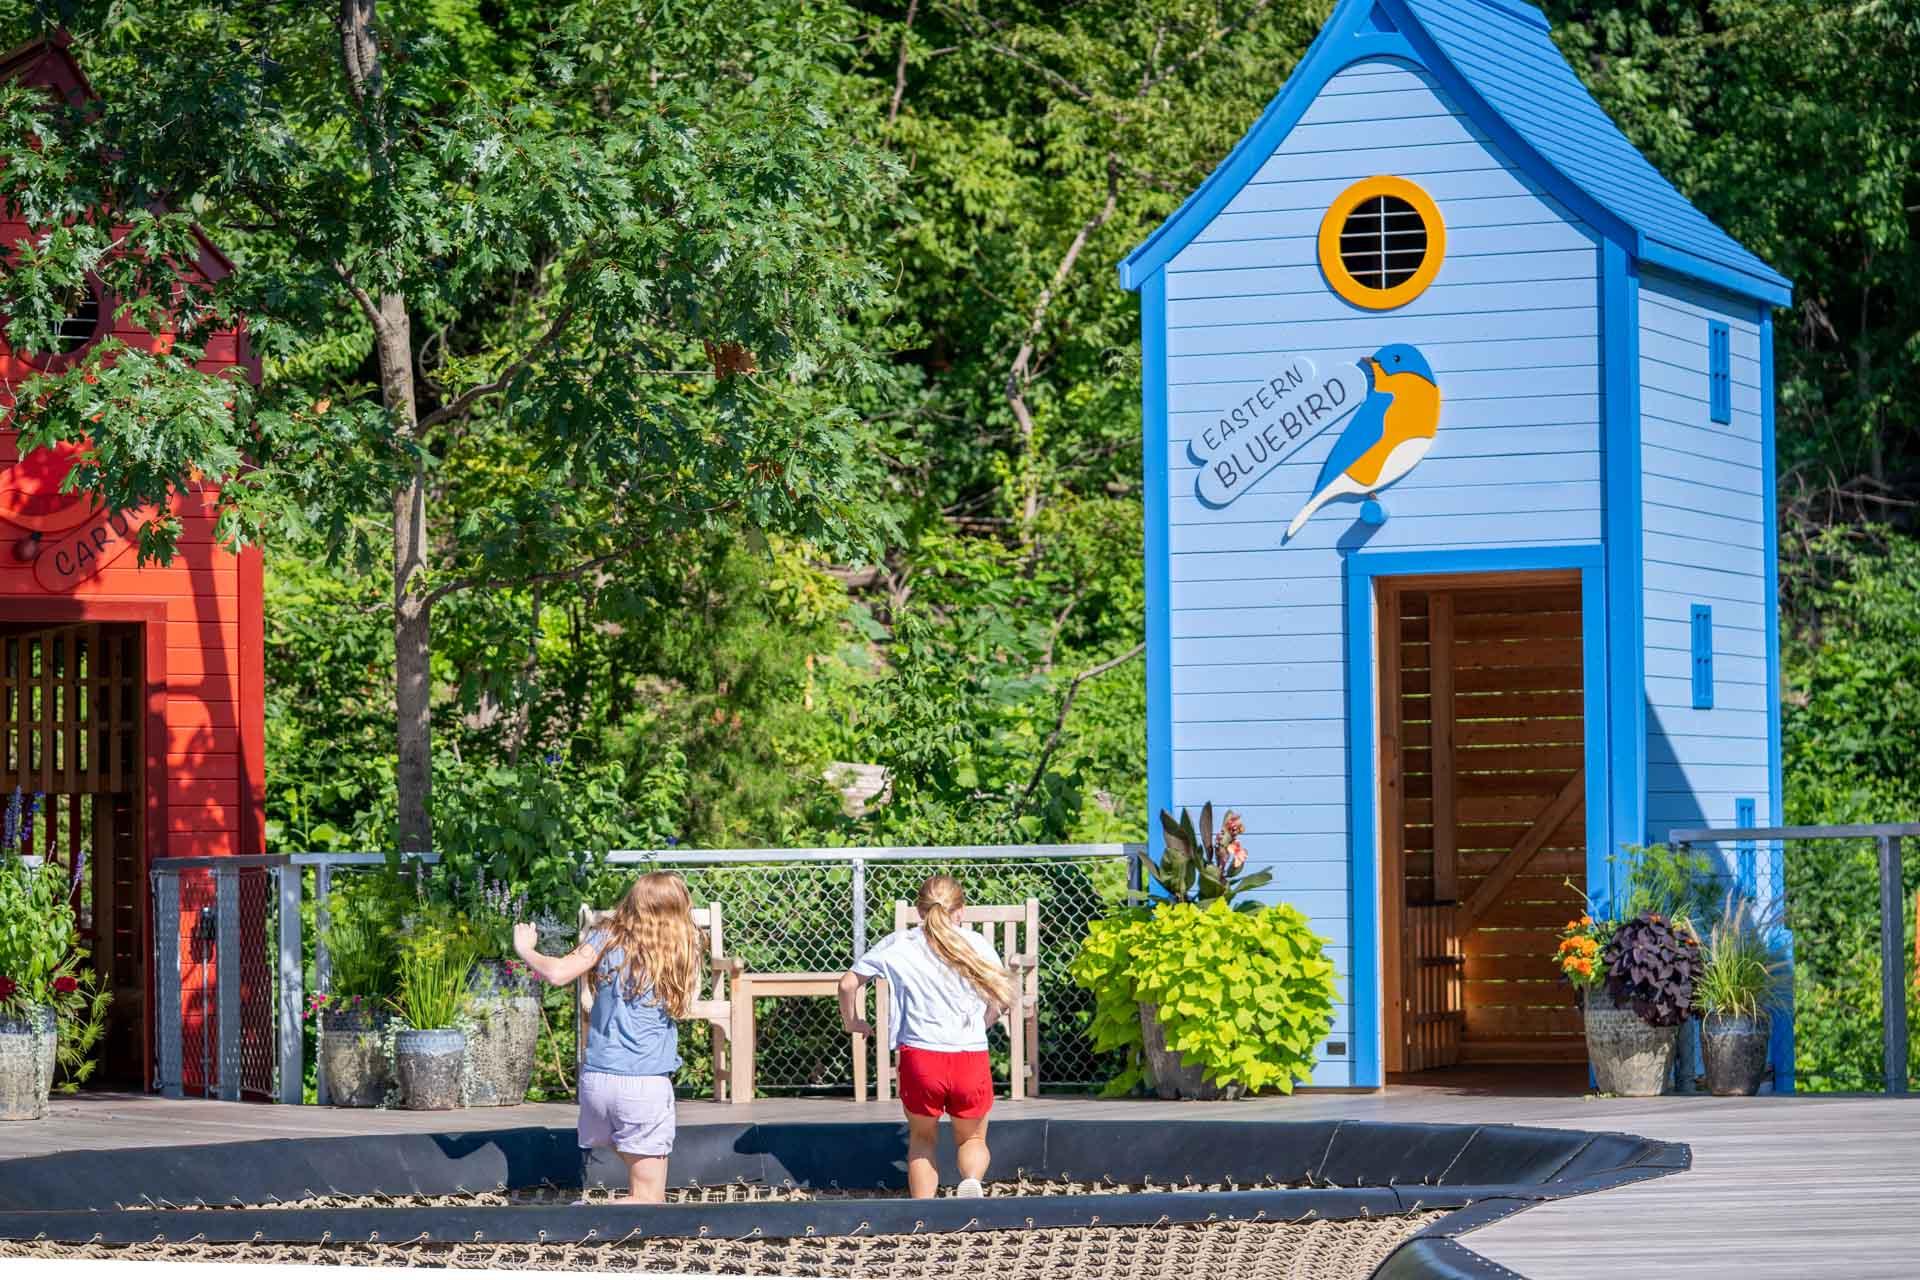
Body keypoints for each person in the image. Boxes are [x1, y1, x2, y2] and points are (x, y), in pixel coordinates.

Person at [513, 871, 702, 1204]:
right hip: (644, 1087)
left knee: (631, 1150)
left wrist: (525, 948)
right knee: (647, 1200)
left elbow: (557, 973)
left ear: (632, 902)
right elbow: (686, 1006)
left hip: (597, 1084)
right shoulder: (682, 948)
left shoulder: (606, 936)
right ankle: (579, 1218)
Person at [838, 874, 1014, 1199]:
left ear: (920, 912)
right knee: (973, 1139)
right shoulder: (977, 945)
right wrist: (983, 1023)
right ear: (960, 911)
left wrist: (854, 1022)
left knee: (922, 1140)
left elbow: (848, 984)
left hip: (921, 1057)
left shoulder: (898, 944)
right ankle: (971, 1181)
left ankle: (923, 1213)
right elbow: (1000, 1000)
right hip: (969, 1055)